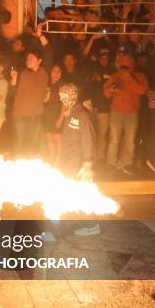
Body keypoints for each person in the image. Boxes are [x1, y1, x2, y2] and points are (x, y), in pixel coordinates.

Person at [56, 82, 100, 236]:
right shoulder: (70, 113)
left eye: (64, 97)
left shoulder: (83, 116)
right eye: (60, 97)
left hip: (76, 164)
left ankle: (91, 226)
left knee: (71, 196)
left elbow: (89, 140)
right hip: (66, 162)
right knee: (69, 196)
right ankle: (91, 226)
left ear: (72, 96)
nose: (61, 100)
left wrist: (87, 165)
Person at [10, 23, 53, 158]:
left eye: (31, 58)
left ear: (39, 61)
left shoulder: (44, 72)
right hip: (19, 116)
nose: (28, 60)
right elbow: (12, 93)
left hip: (35, 116)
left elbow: (48, 51)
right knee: (19, 145)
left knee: (33, 146)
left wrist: (40, 36)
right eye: (27, 58)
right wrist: (13, 81)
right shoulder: (22, 72)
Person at [103, 50, 148, 176]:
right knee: (114, 139)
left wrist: (130, 78)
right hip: (117, 112)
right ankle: (110, 164)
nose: (125, 67)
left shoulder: (139, 76)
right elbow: (106, 92)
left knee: (130, 140)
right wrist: (110, 90)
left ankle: (127, 164)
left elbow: (142, 91)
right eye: (123, 65)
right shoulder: (116, 76)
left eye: (128, 64)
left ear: (133, 64)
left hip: (132, 113)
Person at [43, 65, 64, 165]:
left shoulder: (62, 86)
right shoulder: (47, 84)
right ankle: (52, 161)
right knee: (49, 140)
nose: (56, 73)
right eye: (54, 71)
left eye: (58, 71)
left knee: (58, 140)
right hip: (46, 116)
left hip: (56, 115)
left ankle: (60, 163)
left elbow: (64, 103)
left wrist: (60, 117)